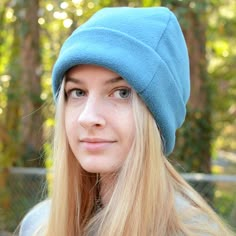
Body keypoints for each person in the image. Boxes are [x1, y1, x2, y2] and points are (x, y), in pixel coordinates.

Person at [18, 6, 235, 236]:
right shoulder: (38, 226)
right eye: (78, 92)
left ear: (157, 117)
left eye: (121, 92)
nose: (88, 118)